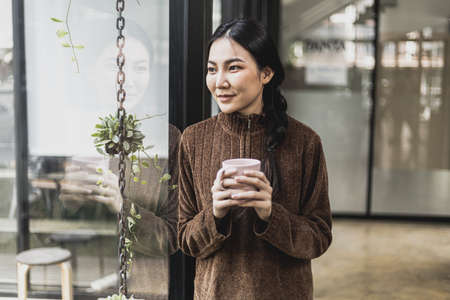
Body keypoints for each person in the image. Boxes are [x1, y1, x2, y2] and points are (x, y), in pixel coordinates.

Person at [177, 19, 332, 299]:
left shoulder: (305, 142)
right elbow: (186, 240)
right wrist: (215, 215)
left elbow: (319, 238)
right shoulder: (192, 140)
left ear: (266, 73)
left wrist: (271, 214)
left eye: (233, 67)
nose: (219, 81)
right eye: (212, 69)